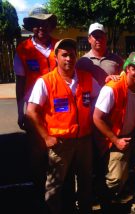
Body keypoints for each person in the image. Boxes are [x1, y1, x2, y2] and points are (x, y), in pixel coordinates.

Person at [26, 38, 100, 213]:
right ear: (56, 58)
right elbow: (31, 111)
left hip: (84, 141)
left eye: (72, 55)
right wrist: (46, 136)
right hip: (60, 143)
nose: (69, 59)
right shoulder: (45, 81)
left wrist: (115, 79)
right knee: (55, 186)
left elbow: (102, 94)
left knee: (85, 183)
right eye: (64, 55)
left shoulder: (86, 78)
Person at [93, 51, 135, 214]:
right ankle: (105, 201)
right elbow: (97, 118)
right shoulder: (112, 89)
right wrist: (115, 140)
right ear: (127, 69)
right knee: (115, 178)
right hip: (113, 139)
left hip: (133, 137)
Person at [13, 6, 58, 208]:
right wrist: (20, 111)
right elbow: (20, 83)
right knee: (37, 153)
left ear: (50, 25)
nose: (42, 27)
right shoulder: (23, 49)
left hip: (58, 109)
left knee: (57, 153)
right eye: (37, 23)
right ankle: (40, 193)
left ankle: (57, 192)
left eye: (45, 23)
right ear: (31, 26)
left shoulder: (59, 47)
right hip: (34, 111)